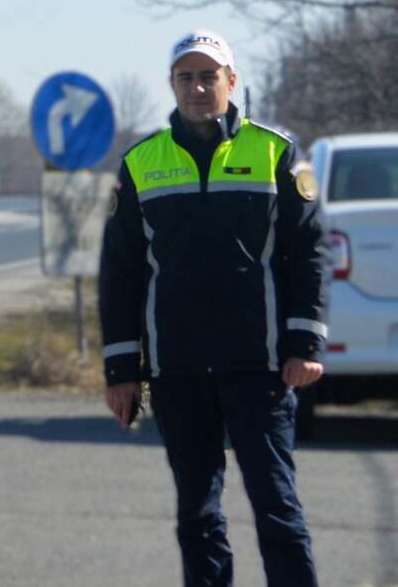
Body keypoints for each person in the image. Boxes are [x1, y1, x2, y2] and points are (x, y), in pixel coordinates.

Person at [99, 29, 329, 587]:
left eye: (209, 76)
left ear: (231, 81)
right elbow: (121, 275)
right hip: (178, 372)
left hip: (261, 368)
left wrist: (305, 343)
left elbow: (309, 253)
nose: (198, 88)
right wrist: (121, 371)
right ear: (172, 84)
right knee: (197, 516)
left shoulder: (277, 153)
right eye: (186, 78)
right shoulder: (140, 163)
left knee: (277, 508)